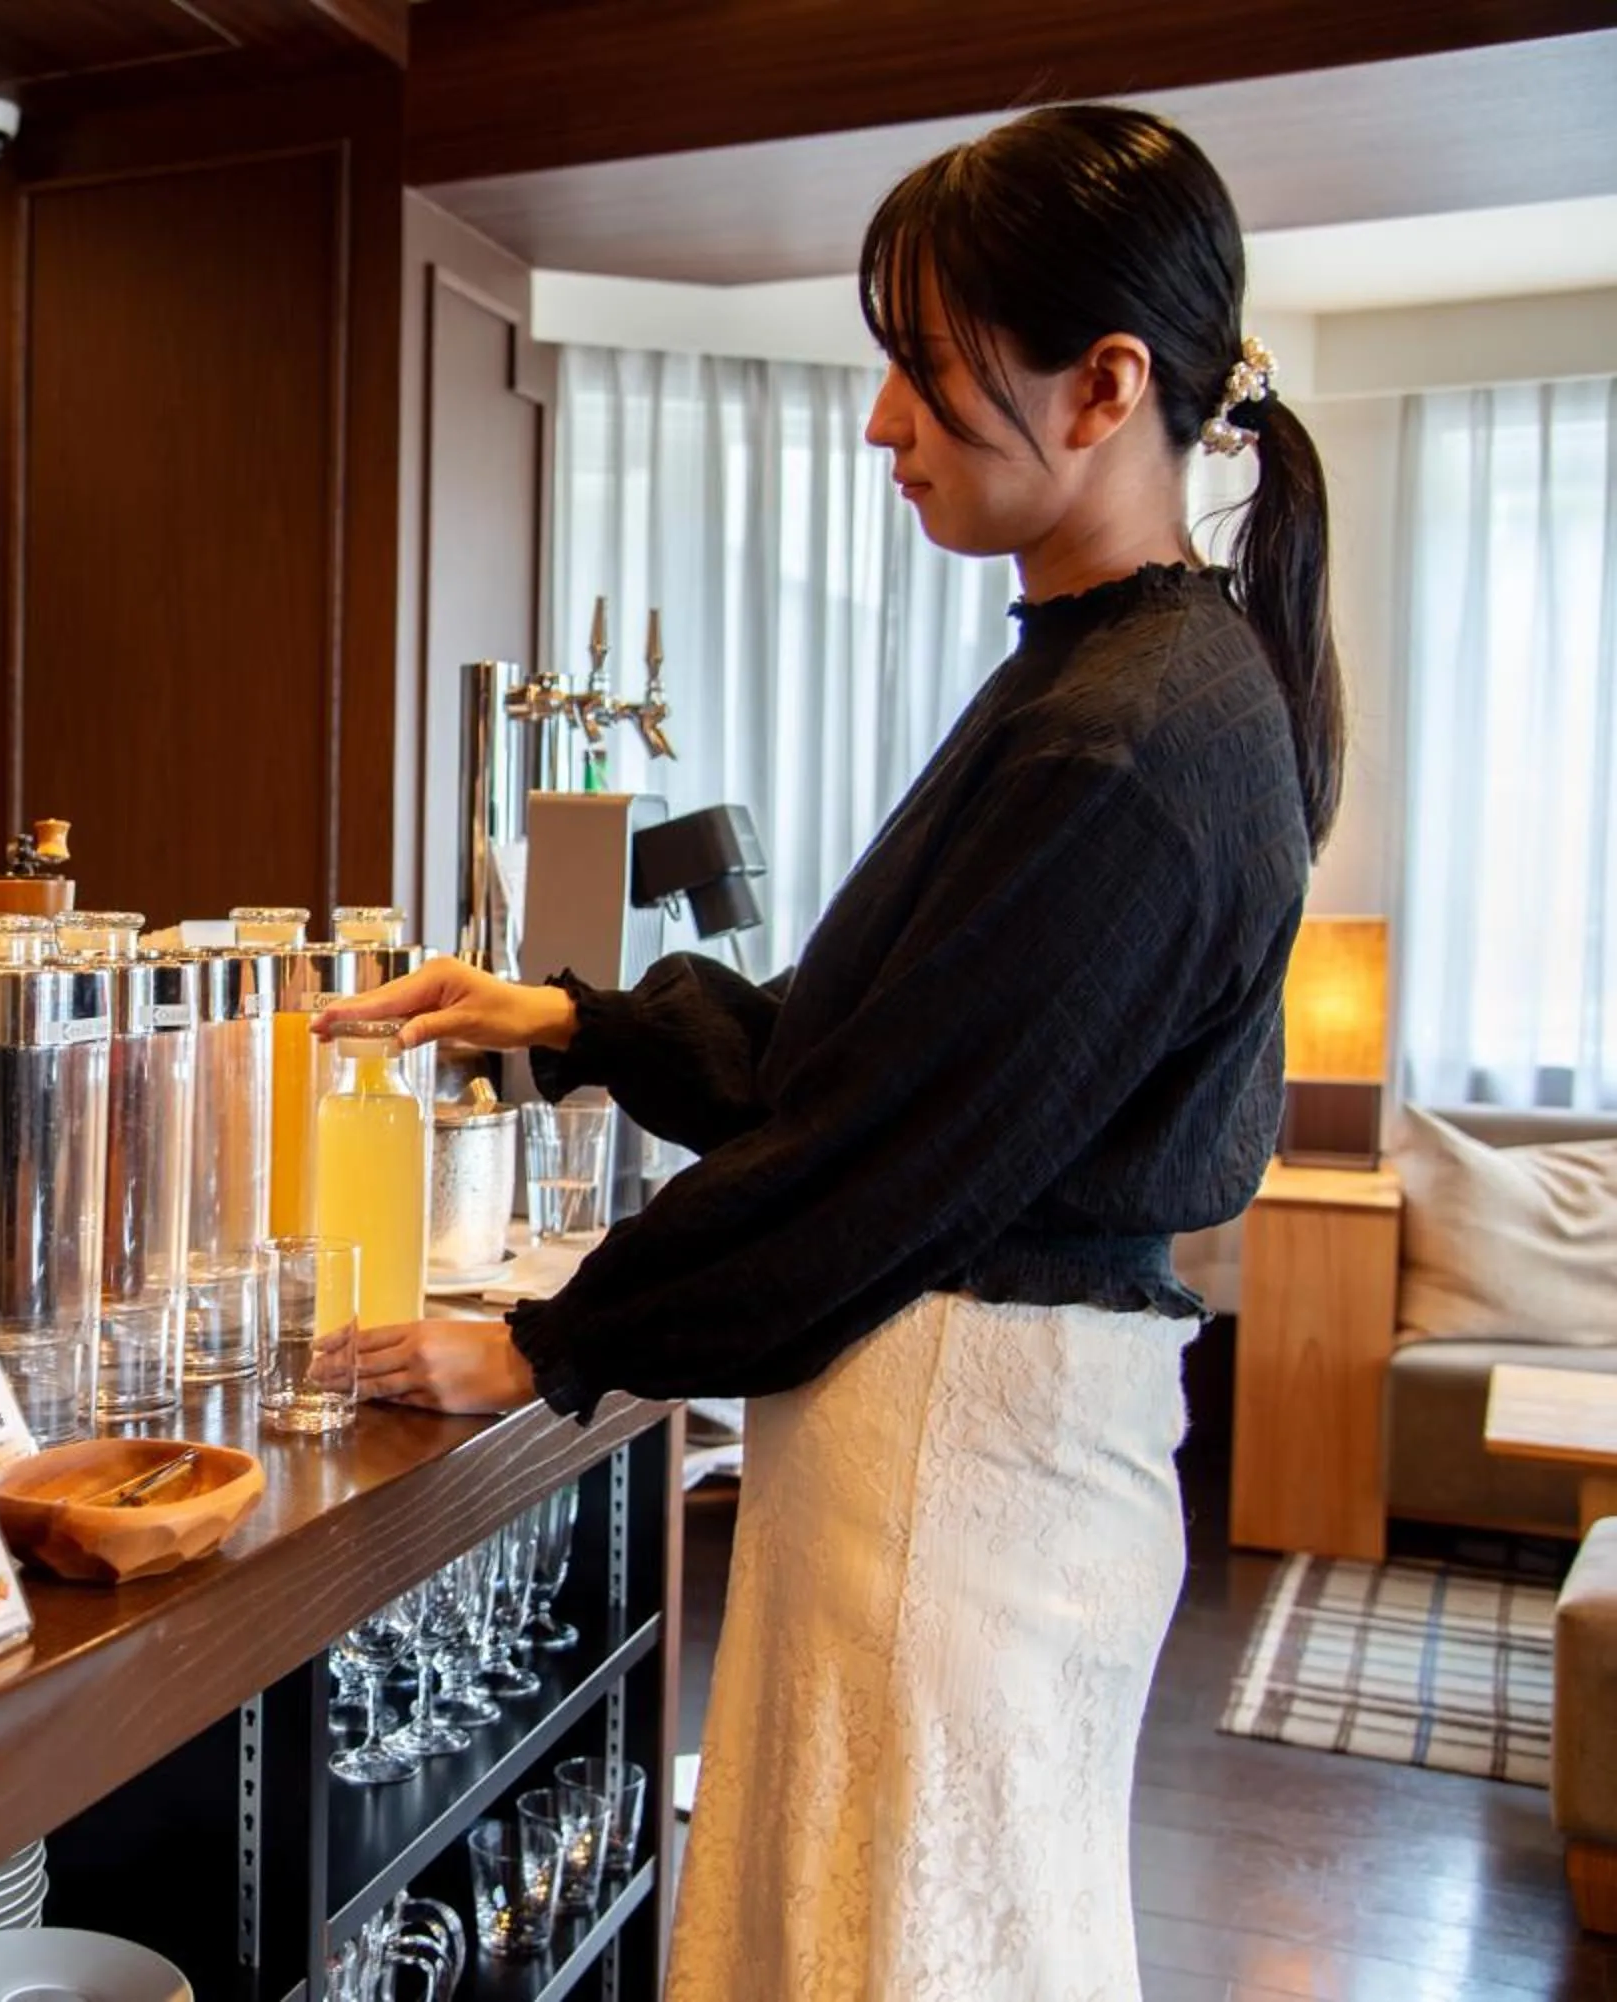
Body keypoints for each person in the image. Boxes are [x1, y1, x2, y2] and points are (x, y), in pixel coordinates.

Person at [316, 104, 1341, 1998]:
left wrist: (548, 1340)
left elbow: (878, 1154)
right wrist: (567, 1014)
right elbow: (871, 1044)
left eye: (929, 376)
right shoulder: (1110, 676)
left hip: (959, 1467)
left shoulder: (1132, 732)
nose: (884, 427)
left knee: (901, 1942)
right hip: (963, 1447)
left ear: (1109, 384)